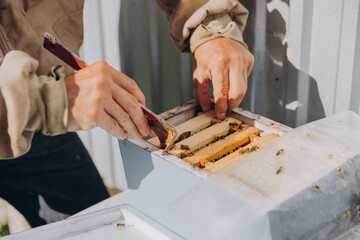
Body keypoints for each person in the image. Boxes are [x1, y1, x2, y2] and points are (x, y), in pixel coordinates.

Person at [0, 0, 254, 229]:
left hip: (44, 115)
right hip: (43, 103)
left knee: (94, 228)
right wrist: (42, 101)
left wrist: (209, 25)